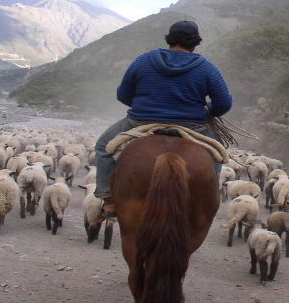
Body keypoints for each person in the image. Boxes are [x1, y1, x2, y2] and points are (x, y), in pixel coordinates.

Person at [93, 20, 232, 215]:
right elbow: (224, 103)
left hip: (141, 122)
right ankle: (207, 203)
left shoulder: (143, 61)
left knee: (103, 147)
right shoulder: (207, 68)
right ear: (196, 43)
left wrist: (147, 108)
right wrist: (207, 109)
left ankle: (108, 198)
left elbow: (123, 95)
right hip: (193, 126)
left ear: (169, 38)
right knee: (216, 155)